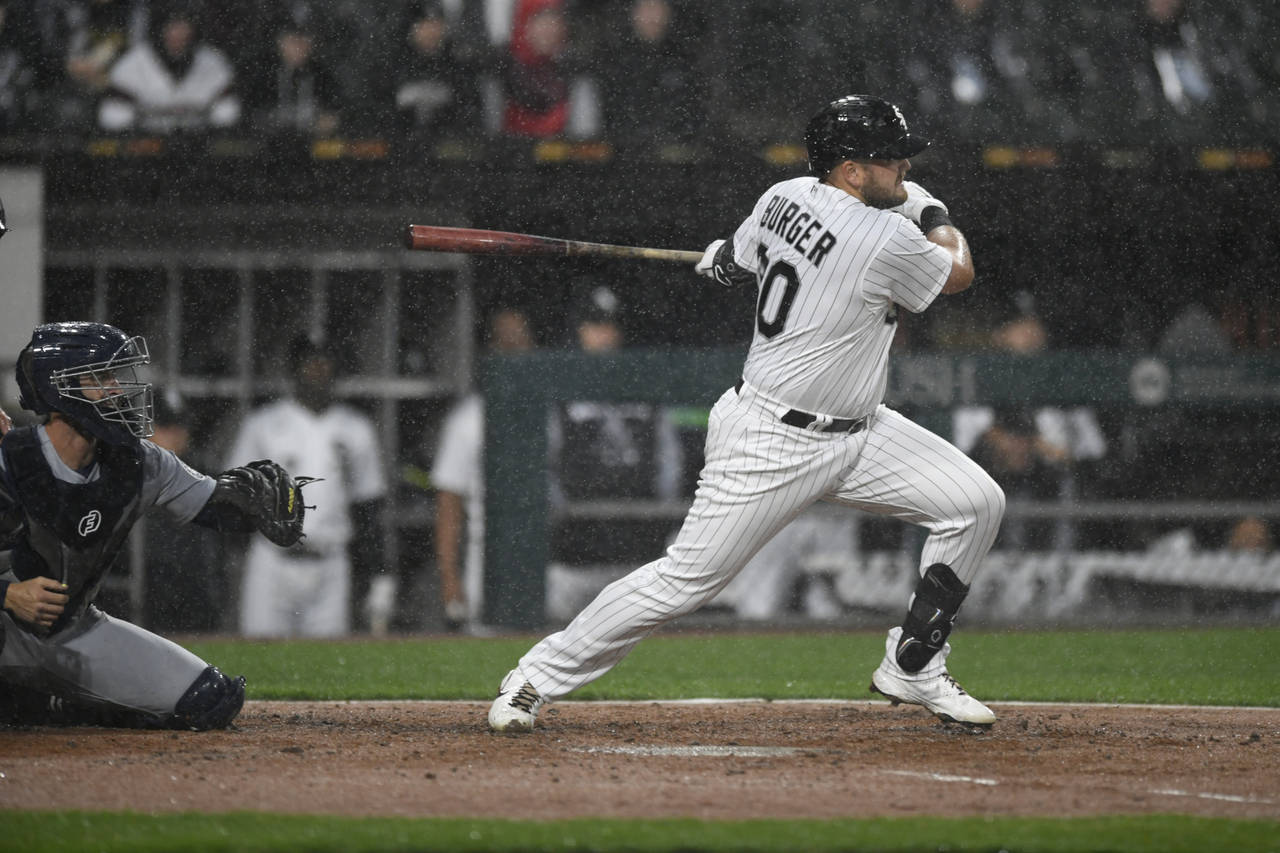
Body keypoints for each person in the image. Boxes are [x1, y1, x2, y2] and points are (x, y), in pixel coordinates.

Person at [487, 94, 1005, 733]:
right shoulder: (884, 235)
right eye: (887, 159)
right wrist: (933, 211)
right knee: (684, 582)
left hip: (861, 429)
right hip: (771, 439)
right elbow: (958, 272)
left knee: (976, 503)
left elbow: (741, 256)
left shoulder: (783, 194)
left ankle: (914, 664)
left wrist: (726, 259)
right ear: (848, 169)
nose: (901, 167)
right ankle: (536, 675)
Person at [0, 321, 308, 729]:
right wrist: (8, 594)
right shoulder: (10, 460)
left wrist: (256, 503)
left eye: (116, 375)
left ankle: (41, 704)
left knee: (210, 700)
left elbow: (214, 505)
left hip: (71, 629)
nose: (117, 389)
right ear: (58, 389)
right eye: (101, 377)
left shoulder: (139, 461)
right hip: (5, 625)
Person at [226, 335, 387, 637]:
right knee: (261, 657)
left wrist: (378, 572)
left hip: (331, 560)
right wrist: (233, 560)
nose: (318, 370)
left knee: (328, 665)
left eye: (325, 362)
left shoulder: (356, 428)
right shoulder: (263, 424)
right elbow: (236, 498)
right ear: (293, 369)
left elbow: (367, 506)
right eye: (310, 362)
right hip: (273, 560)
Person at [544, 284, 684, 621]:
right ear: (577, 330)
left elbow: (670, 471)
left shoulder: (645, 395)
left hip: (637, 560)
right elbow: (544, 474)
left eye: (611, 325)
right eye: (594, 325)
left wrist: (651, 524)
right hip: (573, 562)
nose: (604, 335)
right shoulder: (558, 393)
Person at [431, 306, 535, 632]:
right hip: (488, 554)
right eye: (506, 341)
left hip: (546, 552)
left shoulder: (548, 412)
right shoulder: (468, 419)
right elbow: (449, 502)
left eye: (521, 339)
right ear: (492, 349)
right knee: (490, 653)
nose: (515, 348)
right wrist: (449, 579)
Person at [96, 1, 241, 134]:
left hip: (202, 151)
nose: (178, 34)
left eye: (184, 26)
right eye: (171, 26)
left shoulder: (214, 63)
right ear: (158, 29)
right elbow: (113, 120)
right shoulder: (130, 65)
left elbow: (228, 115)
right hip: (143, 154)